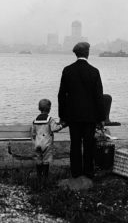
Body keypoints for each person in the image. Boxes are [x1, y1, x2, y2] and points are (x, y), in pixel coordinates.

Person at [58, 42, 105, 179]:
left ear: (76, 53)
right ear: (87, 53)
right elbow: (98, 97)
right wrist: (101, 117)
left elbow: (61, 95)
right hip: (90, 117)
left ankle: (76, 173)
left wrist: (63, 116)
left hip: (73, 116)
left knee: (75, 145)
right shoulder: (94, 71)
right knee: (89, 145)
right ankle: (89, 173)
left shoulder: (67, 70)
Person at [31, 99, 64, 179]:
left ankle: (39, 177)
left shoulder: (35, 120)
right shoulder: (50, 119)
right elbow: (54, 129)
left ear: (39, 108)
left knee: (39, 160)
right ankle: (45, 178)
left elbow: (33, 133)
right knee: (46, 161)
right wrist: (62, 125)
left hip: (37, 143)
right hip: (47, 144)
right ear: (49, 109)